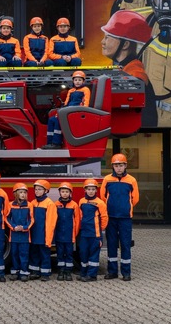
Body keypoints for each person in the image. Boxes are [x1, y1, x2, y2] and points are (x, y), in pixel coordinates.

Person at [100, 10, 156, 126]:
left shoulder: (135, 74)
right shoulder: (123, 68)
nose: (102, 42)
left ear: (125, 45)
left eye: (107, 38)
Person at [100, 153, 140, 281]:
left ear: (125, 166)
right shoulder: (107, 180)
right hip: (110, 217)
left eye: (121, 165)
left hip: (125, 218)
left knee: (125, 244)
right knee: (111, 244)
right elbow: (103, 197)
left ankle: (126, 273)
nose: (119, 168)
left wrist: (126, 208)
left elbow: (135, 198)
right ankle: (112, 272)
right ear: (112, 166)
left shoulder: (131, 180)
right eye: (116, 165)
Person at [41, 70, 91, 149]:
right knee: (52, 120)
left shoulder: (85, 89)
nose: (77, 82)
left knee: (58, 121)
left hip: (76, 112)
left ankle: (56, 143)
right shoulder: (71, 91)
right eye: (76, 80)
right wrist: (59, 113)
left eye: (80, 80)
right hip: (68, 111)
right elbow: (66, 103)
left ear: (83, 81)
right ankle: (49, 143)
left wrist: (83, 113)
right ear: (73, 81)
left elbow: (86, 102)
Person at [77, 179, 109, 282]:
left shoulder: (100, 203)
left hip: (95, 234)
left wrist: (100, 229)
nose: (91, 191)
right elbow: (80, 215)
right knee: (83, 253)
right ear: (85, 190)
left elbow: (104, 218)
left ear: (96, 190)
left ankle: (92, 275)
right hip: (84, 233)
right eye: (89, 189)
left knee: (93, 255)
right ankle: (83, 273)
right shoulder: (81, 201)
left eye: (93, 189)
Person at [27, 179, 57, 281]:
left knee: (45, 254)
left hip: (44, 234)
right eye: (36, 189)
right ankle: (35, 272)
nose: (37, 191)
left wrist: (48, 238)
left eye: (40, 189)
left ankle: (45, 273)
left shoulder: (49, 204)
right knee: (34, 253)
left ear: (46, 191)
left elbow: (51, 223)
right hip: (34, 234)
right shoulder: (33, 203)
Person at [6, 183, 34, 281]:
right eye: (21, 192)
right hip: (13, 235)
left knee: (24, 254)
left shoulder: (29, 205)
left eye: (25, 192)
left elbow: (32, 219)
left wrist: (24, 227)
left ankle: (24, 272)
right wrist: (13, 227)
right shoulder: (10, 205)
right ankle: (15, 271)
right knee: (14, 254)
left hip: (25, 236)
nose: (23, 194)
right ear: (15, 194)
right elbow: (6, 218)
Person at [54, 182, 80, 281]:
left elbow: (77, 220)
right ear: (59, 193)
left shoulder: (74, 205)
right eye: (63, 191)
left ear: (70, 193)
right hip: (59, 235)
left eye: (66, 192)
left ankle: (68, 272)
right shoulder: (56, 204)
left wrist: (75, 233)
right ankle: (61, 271)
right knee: (60, 253)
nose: (64, 193)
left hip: (70, 235)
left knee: (69, 254)